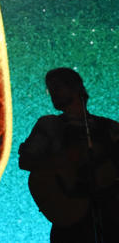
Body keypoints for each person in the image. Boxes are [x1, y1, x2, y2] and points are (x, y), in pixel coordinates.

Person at [19, 67, 119, 242]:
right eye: (50, 89)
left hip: (108, 215)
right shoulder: (49, 125)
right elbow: (26, 161)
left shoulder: (109, 127)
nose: (52, 93)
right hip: (70, 215)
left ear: (75, 87)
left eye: (57, 87)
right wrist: (64, 161)